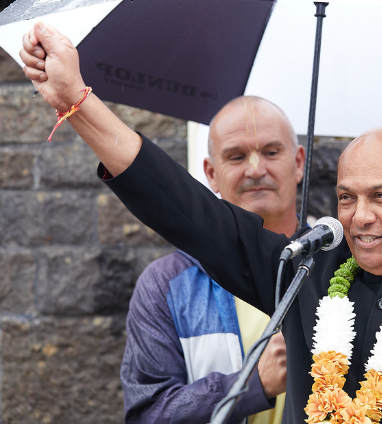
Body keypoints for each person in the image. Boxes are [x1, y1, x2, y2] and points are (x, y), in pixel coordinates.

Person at [21, 21, 382, 424]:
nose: (361, 217)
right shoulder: (304, 276)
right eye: (346, 197)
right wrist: (77, 101)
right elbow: (182, 207)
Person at [120, 95, 305, 423]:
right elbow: (147, 415)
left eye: (271, 152)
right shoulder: (166, 285)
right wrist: (249, 384)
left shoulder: (342, 267)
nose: (255, 169)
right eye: (236, 156)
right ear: (211, 173)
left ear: (300, 161)